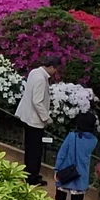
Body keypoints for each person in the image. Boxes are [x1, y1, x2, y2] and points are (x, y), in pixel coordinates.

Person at [16, 55, 60, 185]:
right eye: (55, 69)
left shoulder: (35, 72)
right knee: (35, 151)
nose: (55, 72)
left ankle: (29, 173)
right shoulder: (41, 78)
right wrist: (46, 118)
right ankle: (32, 177)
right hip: (35, 120)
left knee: (30, 149)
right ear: (51, 67)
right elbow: (37, 101)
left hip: (28, 116)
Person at [54, 112, 98, 200]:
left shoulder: (71, 136)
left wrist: (56, 169)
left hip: (65, 173)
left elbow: (61, 154)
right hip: (80, 177)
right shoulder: (94, 141)